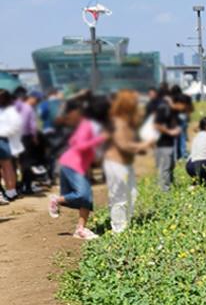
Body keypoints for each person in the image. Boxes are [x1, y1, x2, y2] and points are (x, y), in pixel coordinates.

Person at [48, 99, 108, 240]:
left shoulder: (89, 125)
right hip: (73, 164)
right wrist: (100, 139)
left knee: (86, 199)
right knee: (83, 195)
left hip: (78, 165)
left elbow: (73, 142)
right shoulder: (88, 125)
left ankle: (80, 229)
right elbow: (80, 145)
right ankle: (56, 199)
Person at [104, 90, 152, 233]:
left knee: (132, 194)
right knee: (119, 197)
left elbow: (130, 143)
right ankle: (118, 228)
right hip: (116, 164)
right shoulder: (118, 122)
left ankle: (126, 224)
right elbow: (123, 144)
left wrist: (140, 147)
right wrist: (142, 146)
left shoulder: (127, 121)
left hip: (125, 164)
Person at [153, 93, 182, 190]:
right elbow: (157, 125)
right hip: (163, 143)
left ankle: (171, 184)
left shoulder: (173, 112)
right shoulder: (163, 109)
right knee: (165, 166)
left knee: (171, 164)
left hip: (171, 142)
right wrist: (170, 132)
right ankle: (164, 189)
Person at [0, 90, 23, 203]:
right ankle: (9, 191)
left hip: (4, 140)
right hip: (4, 139)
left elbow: (15, 126)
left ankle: (11, 191)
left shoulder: (10, 111)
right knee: (6, 167)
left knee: (7, 167)